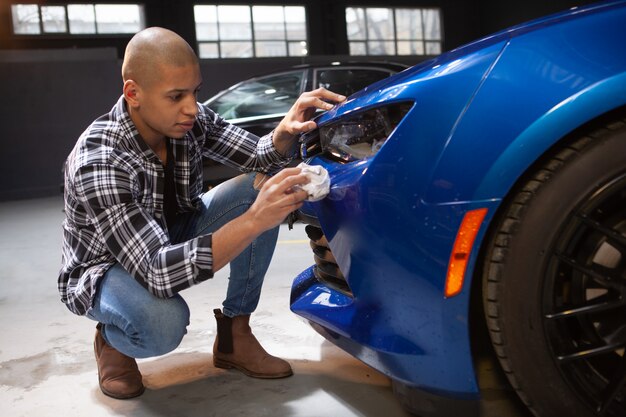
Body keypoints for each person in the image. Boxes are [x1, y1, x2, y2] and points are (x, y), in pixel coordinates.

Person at [58, 26, 345, 400]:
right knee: (162, 323)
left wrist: (286, 127)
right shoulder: (98, 161)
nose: (192, 108)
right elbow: (157, 271)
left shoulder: (190, 120)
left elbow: (258, 155)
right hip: (107, 268)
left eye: (195, 91)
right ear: (133, 94)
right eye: (176, 96)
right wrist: (255, 220)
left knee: (256, 187)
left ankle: (234, 336)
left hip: (169, 230)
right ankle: (113, 340)